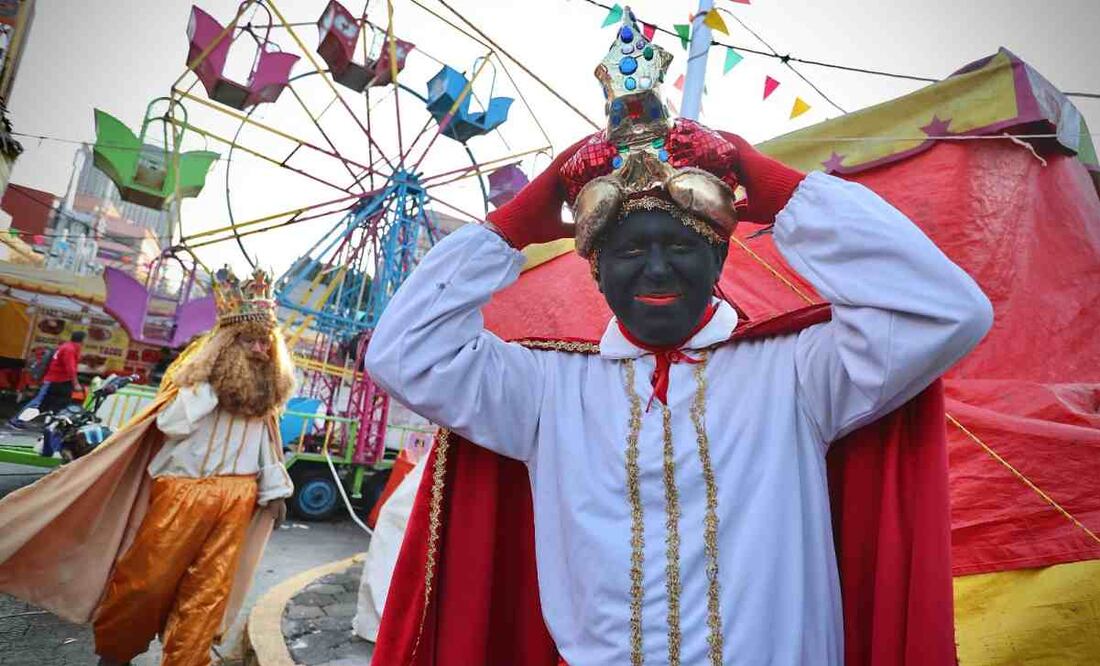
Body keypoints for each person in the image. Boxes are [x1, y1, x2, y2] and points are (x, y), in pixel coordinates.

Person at [365, 10, 992, 666]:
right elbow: (403, 353)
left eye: (683, 246)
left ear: (722, 257)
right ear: (596, 270)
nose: (657, 269)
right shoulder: (545, 390)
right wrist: (515, 222)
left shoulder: (799, 375)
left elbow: (948, 312)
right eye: (631, 249)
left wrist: (776, 187)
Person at [0, 266, 297, 666]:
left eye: (266, 342)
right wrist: (212, 387)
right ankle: (117, 652)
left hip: (238, 497)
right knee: (146, 581)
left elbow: (268, 449)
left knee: (208, 591)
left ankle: (186, 660)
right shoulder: (197, 384)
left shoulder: (265, 396)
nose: (260, 349)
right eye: (250, 341)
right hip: (182, 492)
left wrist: (276, 493)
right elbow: (170, 425)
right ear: (227, 343)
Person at [10, 330, 84, 426]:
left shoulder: (67, 346)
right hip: (55, 380)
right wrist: (76, 383)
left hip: (58, 381)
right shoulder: (69, 349)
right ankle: (17, 420)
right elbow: (70, 368)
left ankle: (52, 425)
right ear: (82, 340)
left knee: (55, 404)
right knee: (38, 403)